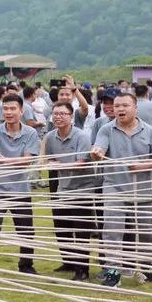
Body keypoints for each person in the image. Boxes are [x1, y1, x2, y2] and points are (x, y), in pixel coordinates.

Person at [90, 93, 152, 288]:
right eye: (117, 106)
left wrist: (141, 166)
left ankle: (148, 269)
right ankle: (113, 272)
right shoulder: (106, 129)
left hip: (142, 190)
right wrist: (97, 153)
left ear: (135, 108)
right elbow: (100, 148)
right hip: (113, 187)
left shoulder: (149, 131)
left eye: (125, 105)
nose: (120, 109)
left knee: (147, 232)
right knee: (112, 231)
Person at [0, 94, 42, 276]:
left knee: (26, 230)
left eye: (12, 108)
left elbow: (26, 161)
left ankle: (26, 264)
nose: (8, 112)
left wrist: (3, 159)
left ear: (21, 111)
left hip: (21, 189)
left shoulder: (30, 133)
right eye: (5, 109)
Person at [40, 100, 96, 281]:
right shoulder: (50, 137)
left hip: (83, 190)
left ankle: (83, 270)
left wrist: (59, 164)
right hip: (62, 189)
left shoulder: (81, 136)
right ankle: (69, 262)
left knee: (81, 231)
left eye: (63, 114)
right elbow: (48, 160)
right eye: (55, 114)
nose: (58, 117)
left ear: (71, 116)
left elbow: (81, 164)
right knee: (62, 228)